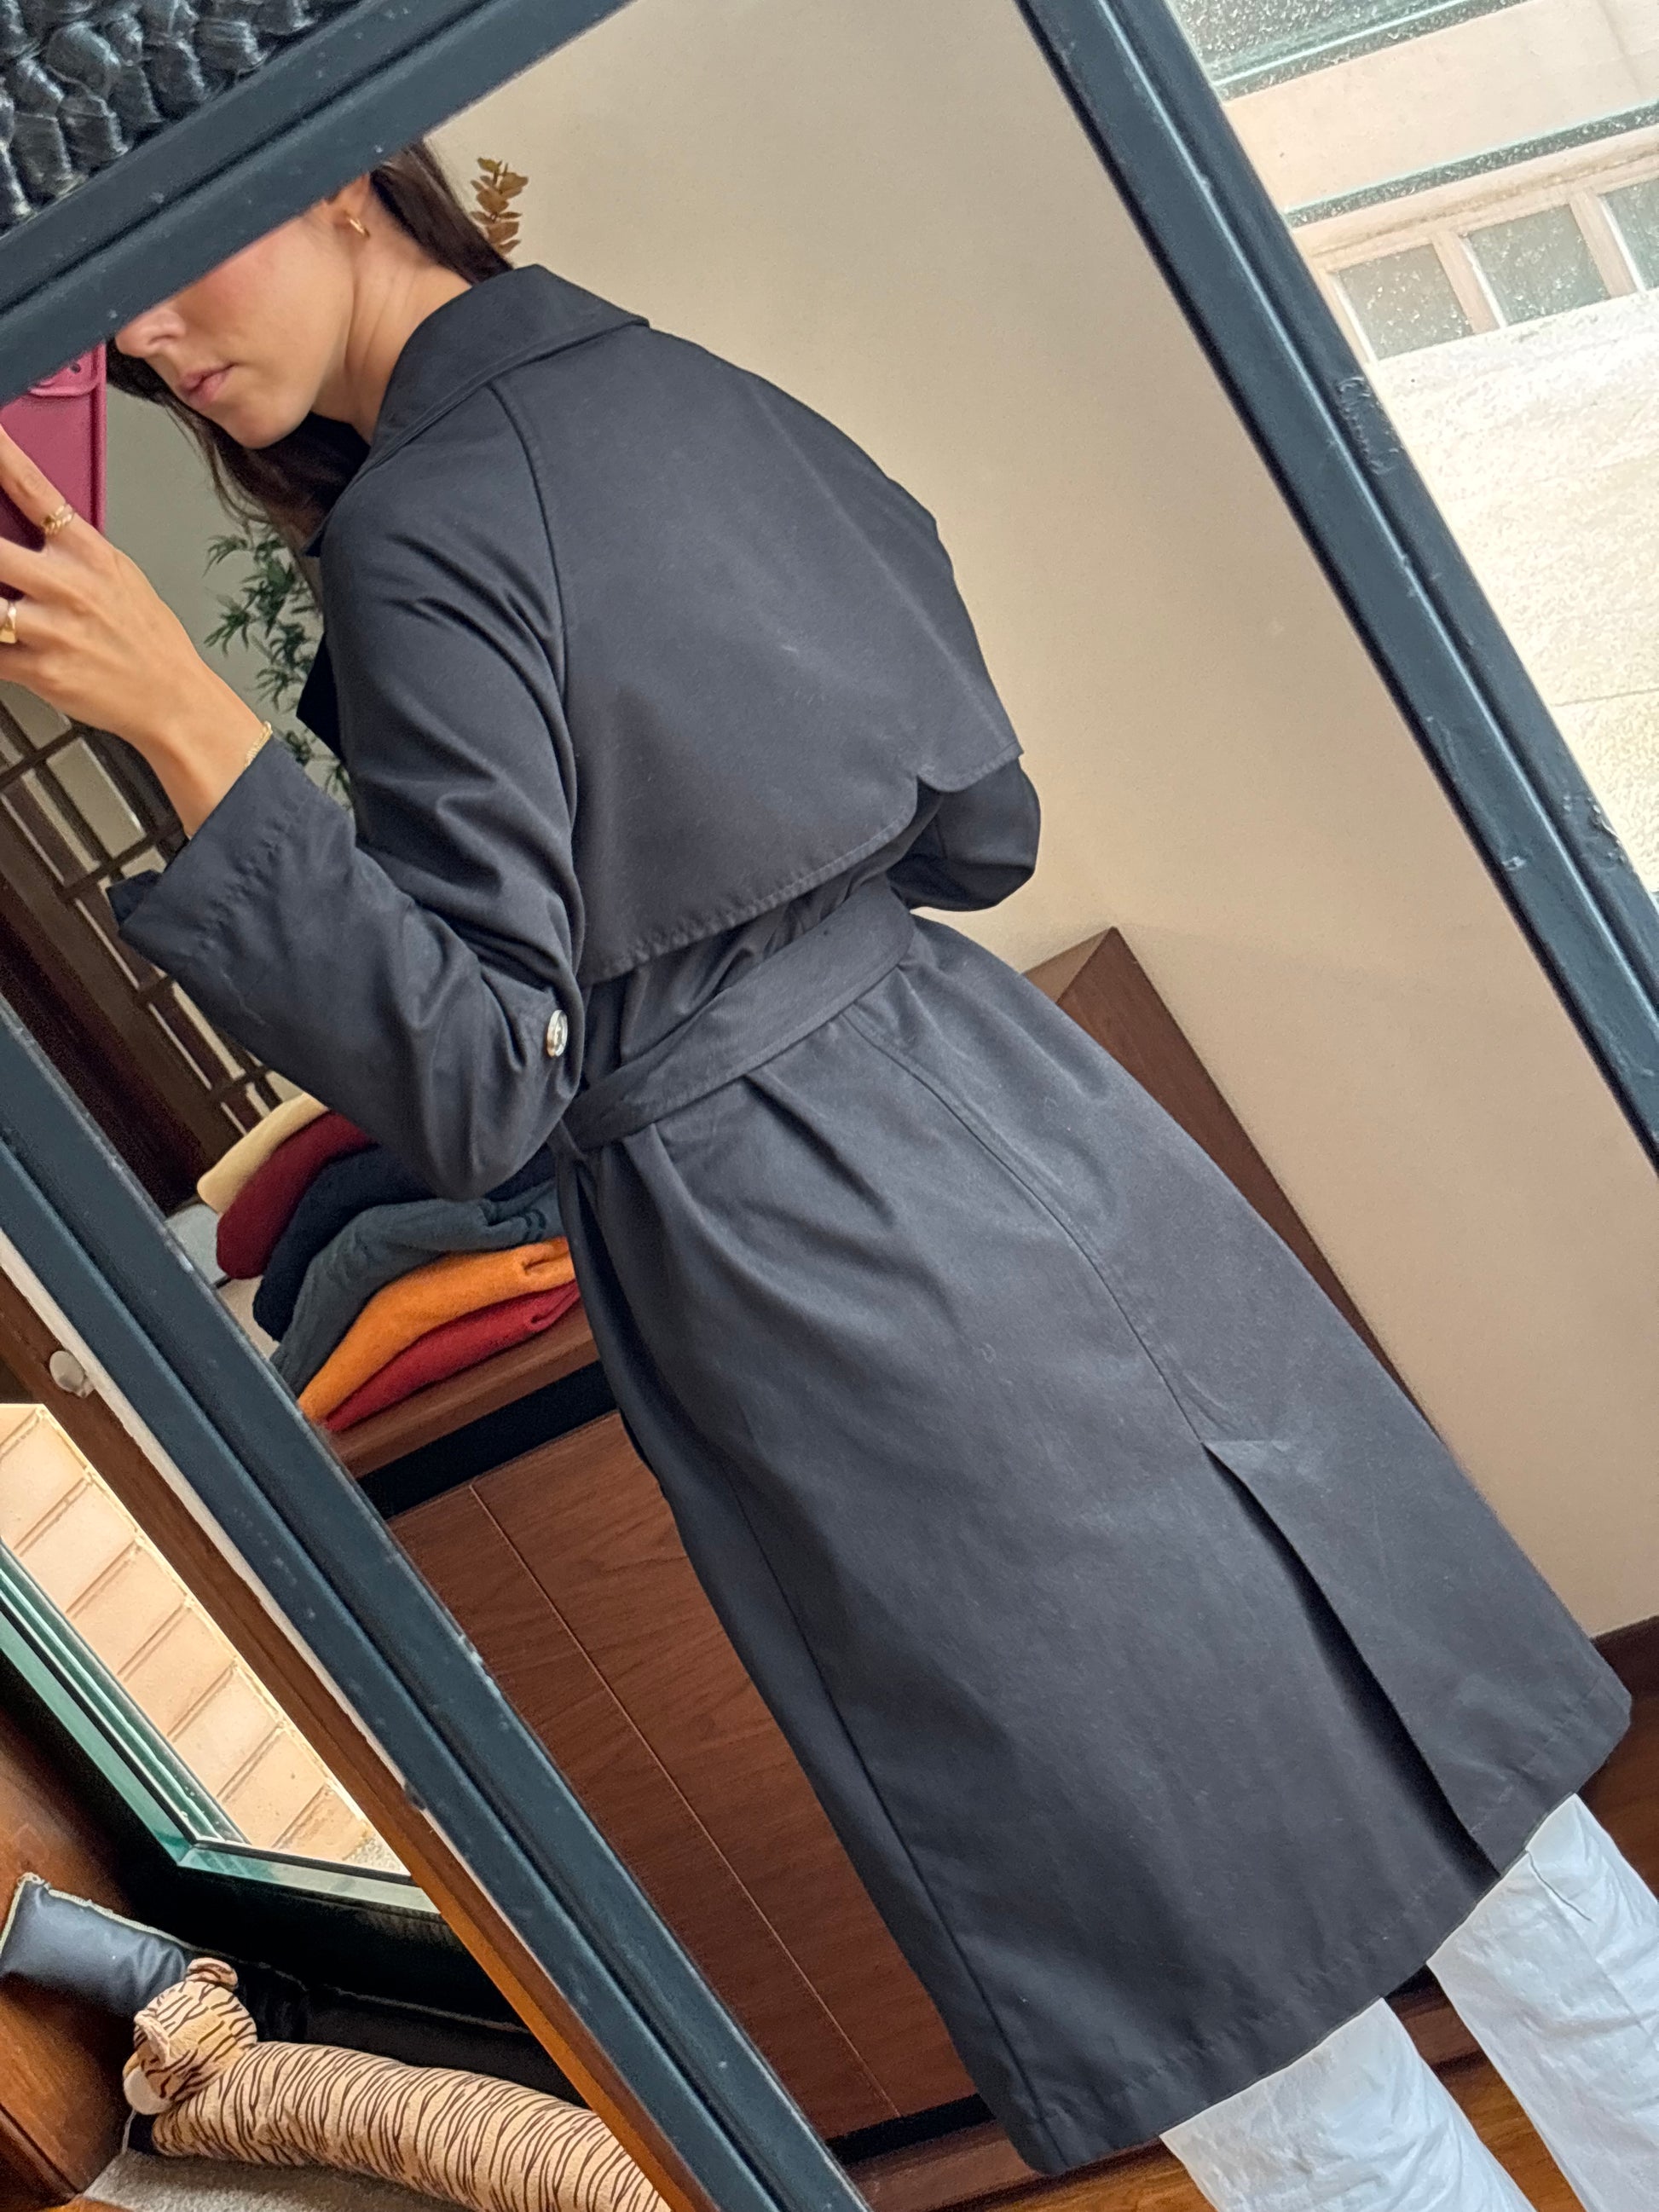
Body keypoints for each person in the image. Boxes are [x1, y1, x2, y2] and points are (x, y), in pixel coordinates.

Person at [2, 141, 1653, 2210]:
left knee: (1183, 1945)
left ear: (348, 182)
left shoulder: (419, 532)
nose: (150, 330)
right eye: (107, 308)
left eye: (178, 255)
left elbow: (484, 1082)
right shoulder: (685, 385)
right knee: (1470, 1805)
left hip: (790, 1250)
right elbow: (980, 814)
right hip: (1017, 1109)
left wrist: (185, 718)